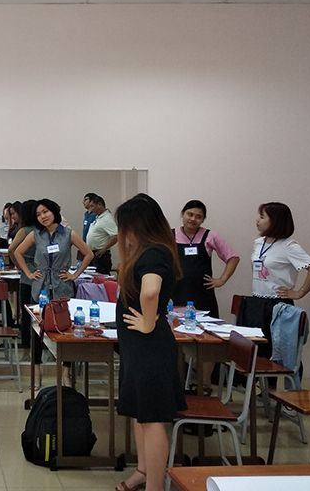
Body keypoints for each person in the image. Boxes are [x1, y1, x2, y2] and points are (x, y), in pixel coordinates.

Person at [114, 193, 186, 491]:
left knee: (153, 418)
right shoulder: (147, 251)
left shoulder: (154, 253)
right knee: (140, 413)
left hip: (149, 348)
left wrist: (147, 321)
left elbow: (150, 290)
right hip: (137, 348)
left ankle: (155, 485)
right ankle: (143, 471)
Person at [12, 198, 93, 388]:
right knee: (38, 329)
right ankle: (37, 371)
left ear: (54, 212)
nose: (43, 216)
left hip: (62, 285)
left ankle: (66, 372)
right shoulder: (35, 235)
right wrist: (29, 273)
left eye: (45, 212)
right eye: (38, 214)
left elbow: (88, 253)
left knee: (67, 329)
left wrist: (74, 274)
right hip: (40, 287)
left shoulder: (68, 234)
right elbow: (17, 252)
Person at [240, 202, 310, 358]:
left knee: (274, 350)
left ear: (275, 221)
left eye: (262, 217)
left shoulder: (289, 246)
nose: (257, 220)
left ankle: (274, 375)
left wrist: (299, 292)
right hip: (257, 301)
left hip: (277, 304)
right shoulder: (258, 243)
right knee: (254, 351)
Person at [172, 200, 240, 318]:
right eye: (190, 214)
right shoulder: (170, 235)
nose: (193, 219)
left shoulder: (210, 236)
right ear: (182, 214)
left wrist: (222, 280)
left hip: (203, 294)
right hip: (176, 292)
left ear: (203, 220)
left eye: (198, 217)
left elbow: (233, 258)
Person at [7, 199, 36, 351]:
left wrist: (19, 265)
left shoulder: (25, 231)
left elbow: (11, 250)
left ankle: (26, 341)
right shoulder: (42, 231)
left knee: (26, 311)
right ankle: (38, 342)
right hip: (41, 274)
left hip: (27, 273)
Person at [86, 195, 118, 274]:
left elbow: (116, 236)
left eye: (93, 206)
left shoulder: (107, 219)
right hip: (92, 253)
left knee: (101, 276)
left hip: (101, 255)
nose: (91, 209)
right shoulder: (99, 217)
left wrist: (104, 248)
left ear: (99, 204)